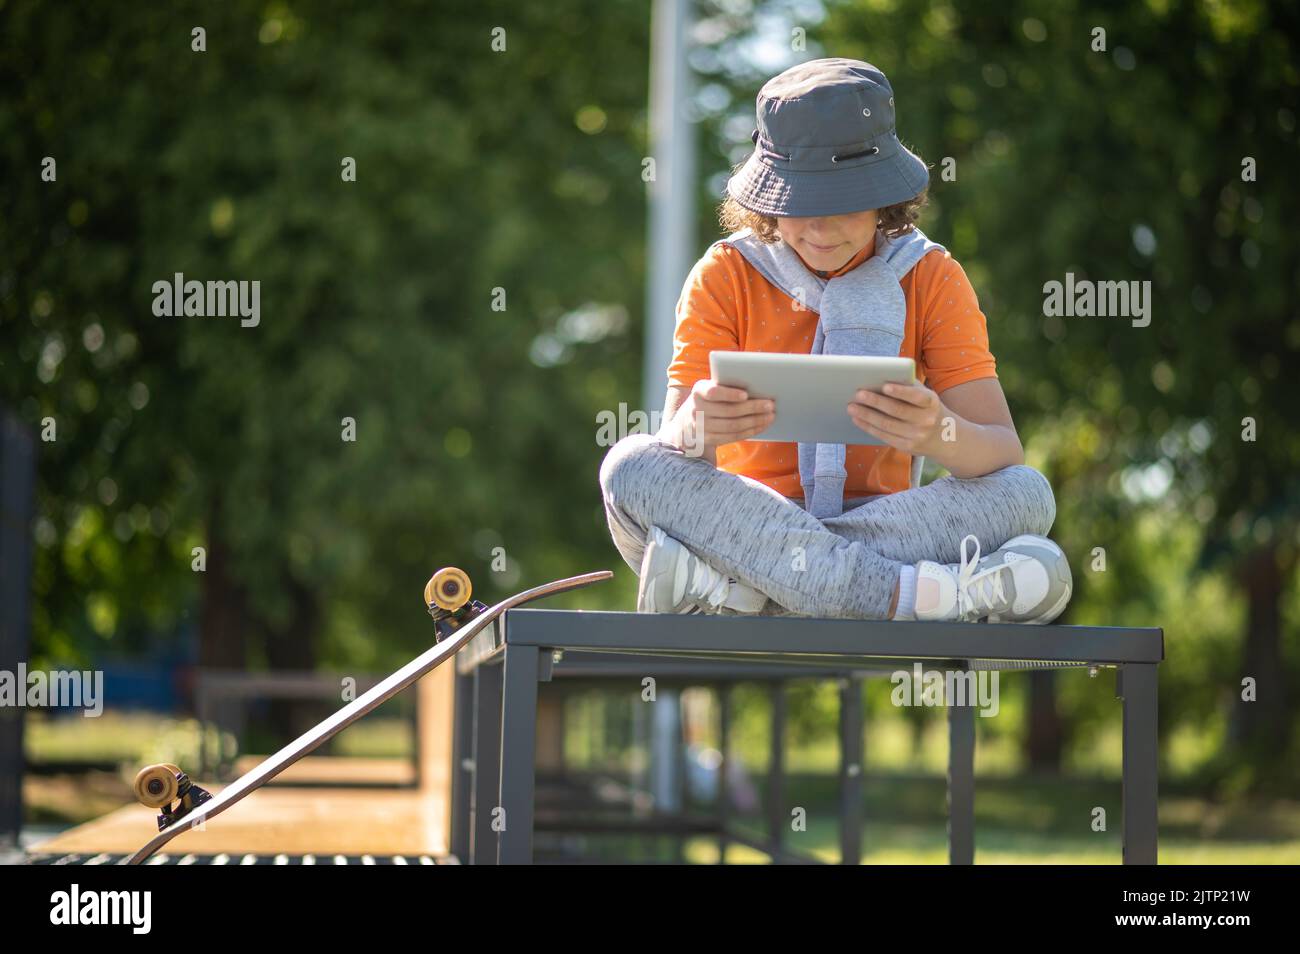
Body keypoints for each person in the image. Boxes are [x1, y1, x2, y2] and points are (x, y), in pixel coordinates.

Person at [599, 58, 1071, 624]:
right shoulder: (724, 274)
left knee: (1027, 494)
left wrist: (937, 432)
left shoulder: (932, 277)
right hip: (749, 520)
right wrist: (691, 429)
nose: (820, 231)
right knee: (630, 468)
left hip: (878, 526)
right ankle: (925, 596)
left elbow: (1001, 453)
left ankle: (750, 595)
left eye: (842, 203)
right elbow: (678, 457)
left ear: (884, 198)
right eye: (799, 205)